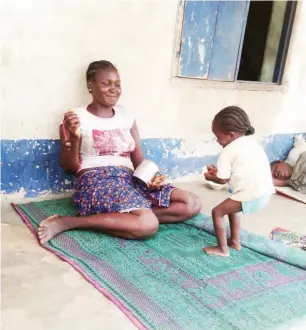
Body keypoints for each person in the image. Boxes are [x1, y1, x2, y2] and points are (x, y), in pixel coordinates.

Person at [38, 60, 201, 244]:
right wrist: (74, 139)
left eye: (117, 84)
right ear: (90, 85)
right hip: (96, 179)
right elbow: (69, 167)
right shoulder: (76, 117)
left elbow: (138, 159)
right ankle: (69, 222)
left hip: (130, 179)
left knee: (191, 204)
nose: (113, 89)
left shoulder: (127, 117)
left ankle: (130, 218)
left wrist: (151, 177)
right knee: (148, 225)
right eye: (106, 83)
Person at [203, 106, 275, 257]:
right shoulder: (251, 143)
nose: (217, 140)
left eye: (218, 136)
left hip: (250, 194)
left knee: (217, 212)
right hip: (265, 193)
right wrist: (219, 171)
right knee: (231, 207)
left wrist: (210, 176)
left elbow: (222, 180)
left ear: (231, 135)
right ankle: (235, 241)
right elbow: (240, 169)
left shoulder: (227, 151)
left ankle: (222, 249)